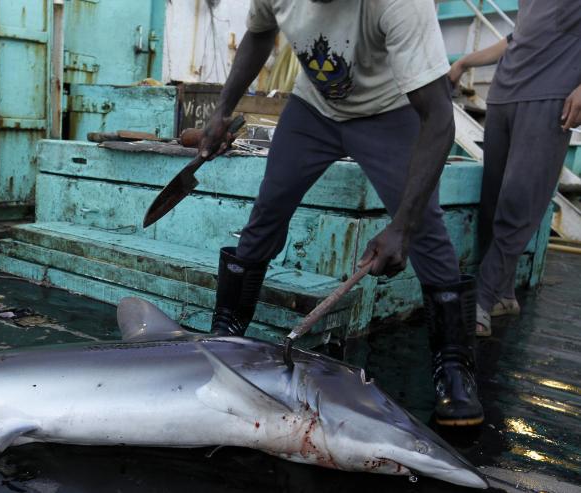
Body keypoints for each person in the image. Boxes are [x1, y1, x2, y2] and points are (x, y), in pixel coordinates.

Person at [199, 0, 483, 426]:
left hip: (389, 112)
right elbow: (259, 34)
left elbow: (440, 116)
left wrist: (401, 226)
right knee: (267, 212)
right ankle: (226, 332)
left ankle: (455, 369)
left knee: (424, 228)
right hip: (312, 110)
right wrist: (223, 110)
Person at [449, 1, 581, 337]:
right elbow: (516, 39)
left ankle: (482, 300)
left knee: (519, 201)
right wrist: (464, 62)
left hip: (549, 99)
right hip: (503, 95)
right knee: (492, 204)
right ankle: (503, 295)